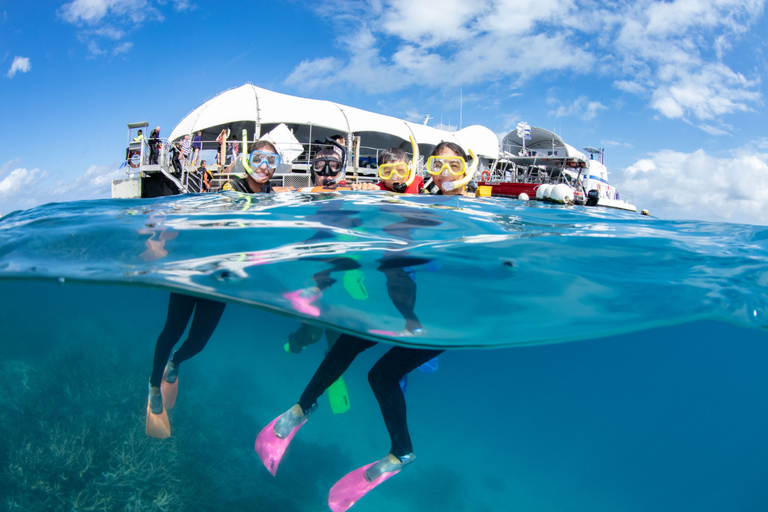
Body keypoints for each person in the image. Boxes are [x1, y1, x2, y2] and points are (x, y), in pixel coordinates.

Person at [256, 140, 444, 512]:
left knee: (381, 376)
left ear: (414, 173)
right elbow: (345, 237)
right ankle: (302, 408)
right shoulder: (372, 201)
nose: (393, 179)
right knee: (346, 343)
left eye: (400, 173)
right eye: (385, 172)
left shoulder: (439, 201)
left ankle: (401, 451)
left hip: (435, 319)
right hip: (397, 310)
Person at [146, 139, 284, 439]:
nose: (264, 167)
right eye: (259, 159)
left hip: (224, 279)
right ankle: (154, 386)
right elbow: (235, 212)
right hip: (197, 270)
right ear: (248, 161)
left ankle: (176, 362)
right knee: (172, 331)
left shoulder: (272, 196)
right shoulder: (232, 189)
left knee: (197, 343)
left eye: (272, 161)